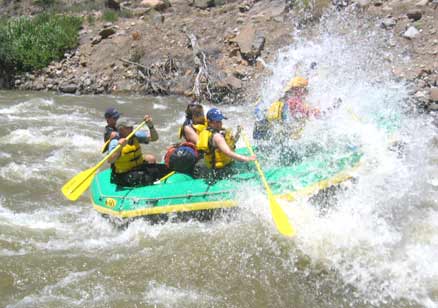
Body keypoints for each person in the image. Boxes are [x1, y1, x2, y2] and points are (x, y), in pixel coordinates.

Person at [107, 115, 169, 187]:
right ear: (121, 129)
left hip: (138, 168)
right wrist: (120, 148)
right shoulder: (115, 142)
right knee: (144, 178)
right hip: (123, 174)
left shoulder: (135, 135)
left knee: (163, 169)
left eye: (131, 126)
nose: (132, 128)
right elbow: (110, 160)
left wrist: (150, 126)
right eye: (129, 127)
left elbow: (154, 138)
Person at [253, 76, 320, 140]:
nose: (306, 92)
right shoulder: (294, 101)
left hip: (265, 126)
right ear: (299, 90)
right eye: (305, 89)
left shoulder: (282, 99)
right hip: (273, 128)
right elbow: (308, 112)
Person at [195, 108, 255, 179]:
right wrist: (247, 158)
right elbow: (228, 152)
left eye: (220, 121)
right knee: (250, 169)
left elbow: (231, 143)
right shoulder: (217, 137)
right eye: (216, 122)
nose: (220, 124)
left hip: (215, 168)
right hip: (220, 171)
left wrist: (238, 133)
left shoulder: (211, 132)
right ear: (209, 122)